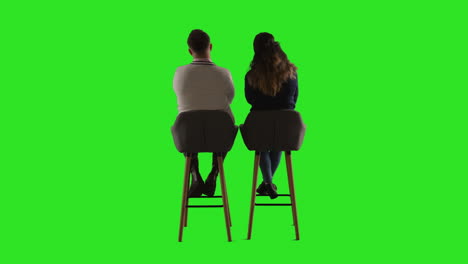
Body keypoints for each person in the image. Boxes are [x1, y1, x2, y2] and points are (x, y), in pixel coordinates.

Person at [173, 29, 235, 197]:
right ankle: (214, 173)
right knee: (225, 119)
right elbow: (230, 98)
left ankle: (195, 175)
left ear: (189, 51)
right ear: (211, 46)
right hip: (220, 134)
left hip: (188, 135)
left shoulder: (179, 72)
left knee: (185, 120)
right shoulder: (224, 72)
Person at [245, 32, 298, 199]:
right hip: (286, 128)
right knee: (278, 143)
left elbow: (249, 99)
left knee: (261, 145)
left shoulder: (251, 75)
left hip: (259, 126)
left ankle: (267, 182)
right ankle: (268, 182)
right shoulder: (291, 72)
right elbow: (294, 99)